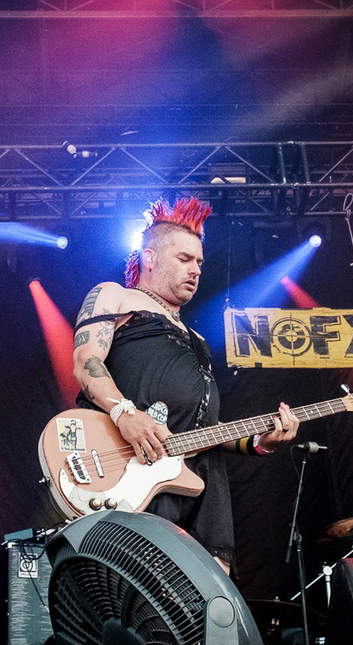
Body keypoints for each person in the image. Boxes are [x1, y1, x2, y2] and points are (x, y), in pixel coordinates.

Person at [72, 197, 300, 574]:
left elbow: (208, 431)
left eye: (199, 262)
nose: (196, 270)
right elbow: (86, 362)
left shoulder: (197, 339)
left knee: (210, 593)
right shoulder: (115, 295)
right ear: (150, 257)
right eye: (184, 259)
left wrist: (262, 442)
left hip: (200, 475)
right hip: (136, 462)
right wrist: (124, 412)